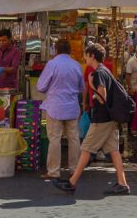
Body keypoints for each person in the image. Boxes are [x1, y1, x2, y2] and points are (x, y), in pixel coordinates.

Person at [52, 43, 130, 195]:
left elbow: (102, 97)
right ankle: (122, 183)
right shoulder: (105, 70)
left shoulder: (97, 74)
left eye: (86, 55)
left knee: (86, 148)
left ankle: (72, 182)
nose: (84, 58)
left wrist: (92, 88)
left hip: (102, 119)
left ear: (92, 56)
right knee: (114, 151)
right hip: (110, 118)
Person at [37, 39, 84, 180]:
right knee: (74, 139)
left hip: (55, 107)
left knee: (55, 139)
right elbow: (81, 88)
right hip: (72, 107)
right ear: (70, 50)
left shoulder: (52, 64)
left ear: (55, 50)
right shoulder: (76, 65)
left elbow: (40, 86)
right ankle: (74, 170)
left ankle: (53, 171)